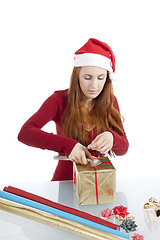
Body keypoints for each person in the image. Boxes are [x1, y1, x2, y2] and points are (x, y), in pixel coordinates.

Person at [18, 38, 129, 181]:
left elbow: (124, 148)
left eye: (101, 78)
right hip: (65, 182)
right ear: (77, 76)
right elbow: (25, 132)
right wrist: (68, 145)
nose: (94, 85)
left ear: (107, 79)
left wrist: (112, 138)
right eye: (87, 77)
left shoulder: (111, 101)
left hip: (100, 184)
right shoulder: (59, 99)